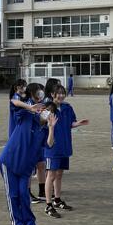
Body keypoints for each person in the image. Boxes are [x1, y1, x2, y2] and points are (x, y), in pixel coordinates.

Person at [0, 97, 57, 225]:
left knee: (24, 194)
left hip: (26, 167)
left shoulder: (45, 131)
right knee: (13, 195)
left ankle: (30, 224)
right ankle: (18, 224)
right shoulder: (27, 117)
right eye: (46, 110)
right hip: (9, 162)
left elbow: (49, 144)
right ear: (41, 109)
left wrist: (51, 128)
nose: (47, 113)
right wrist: (29, 107)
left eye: (51, 112)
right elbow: (13, 101)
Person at [44, 84, 88, 216]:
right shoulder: (48, 109)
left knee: (59, 175)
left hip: (64, 146)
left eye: (63, 93)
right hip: (53, 148)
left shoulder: (67, 107)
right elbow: (44, 126)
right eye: (58, 93)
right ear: (52, 94)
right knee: (51, 175)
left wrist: (78, 123)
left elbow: (70, 123)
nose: (61, 95)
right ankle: (48, 205)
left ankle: (57, 199)